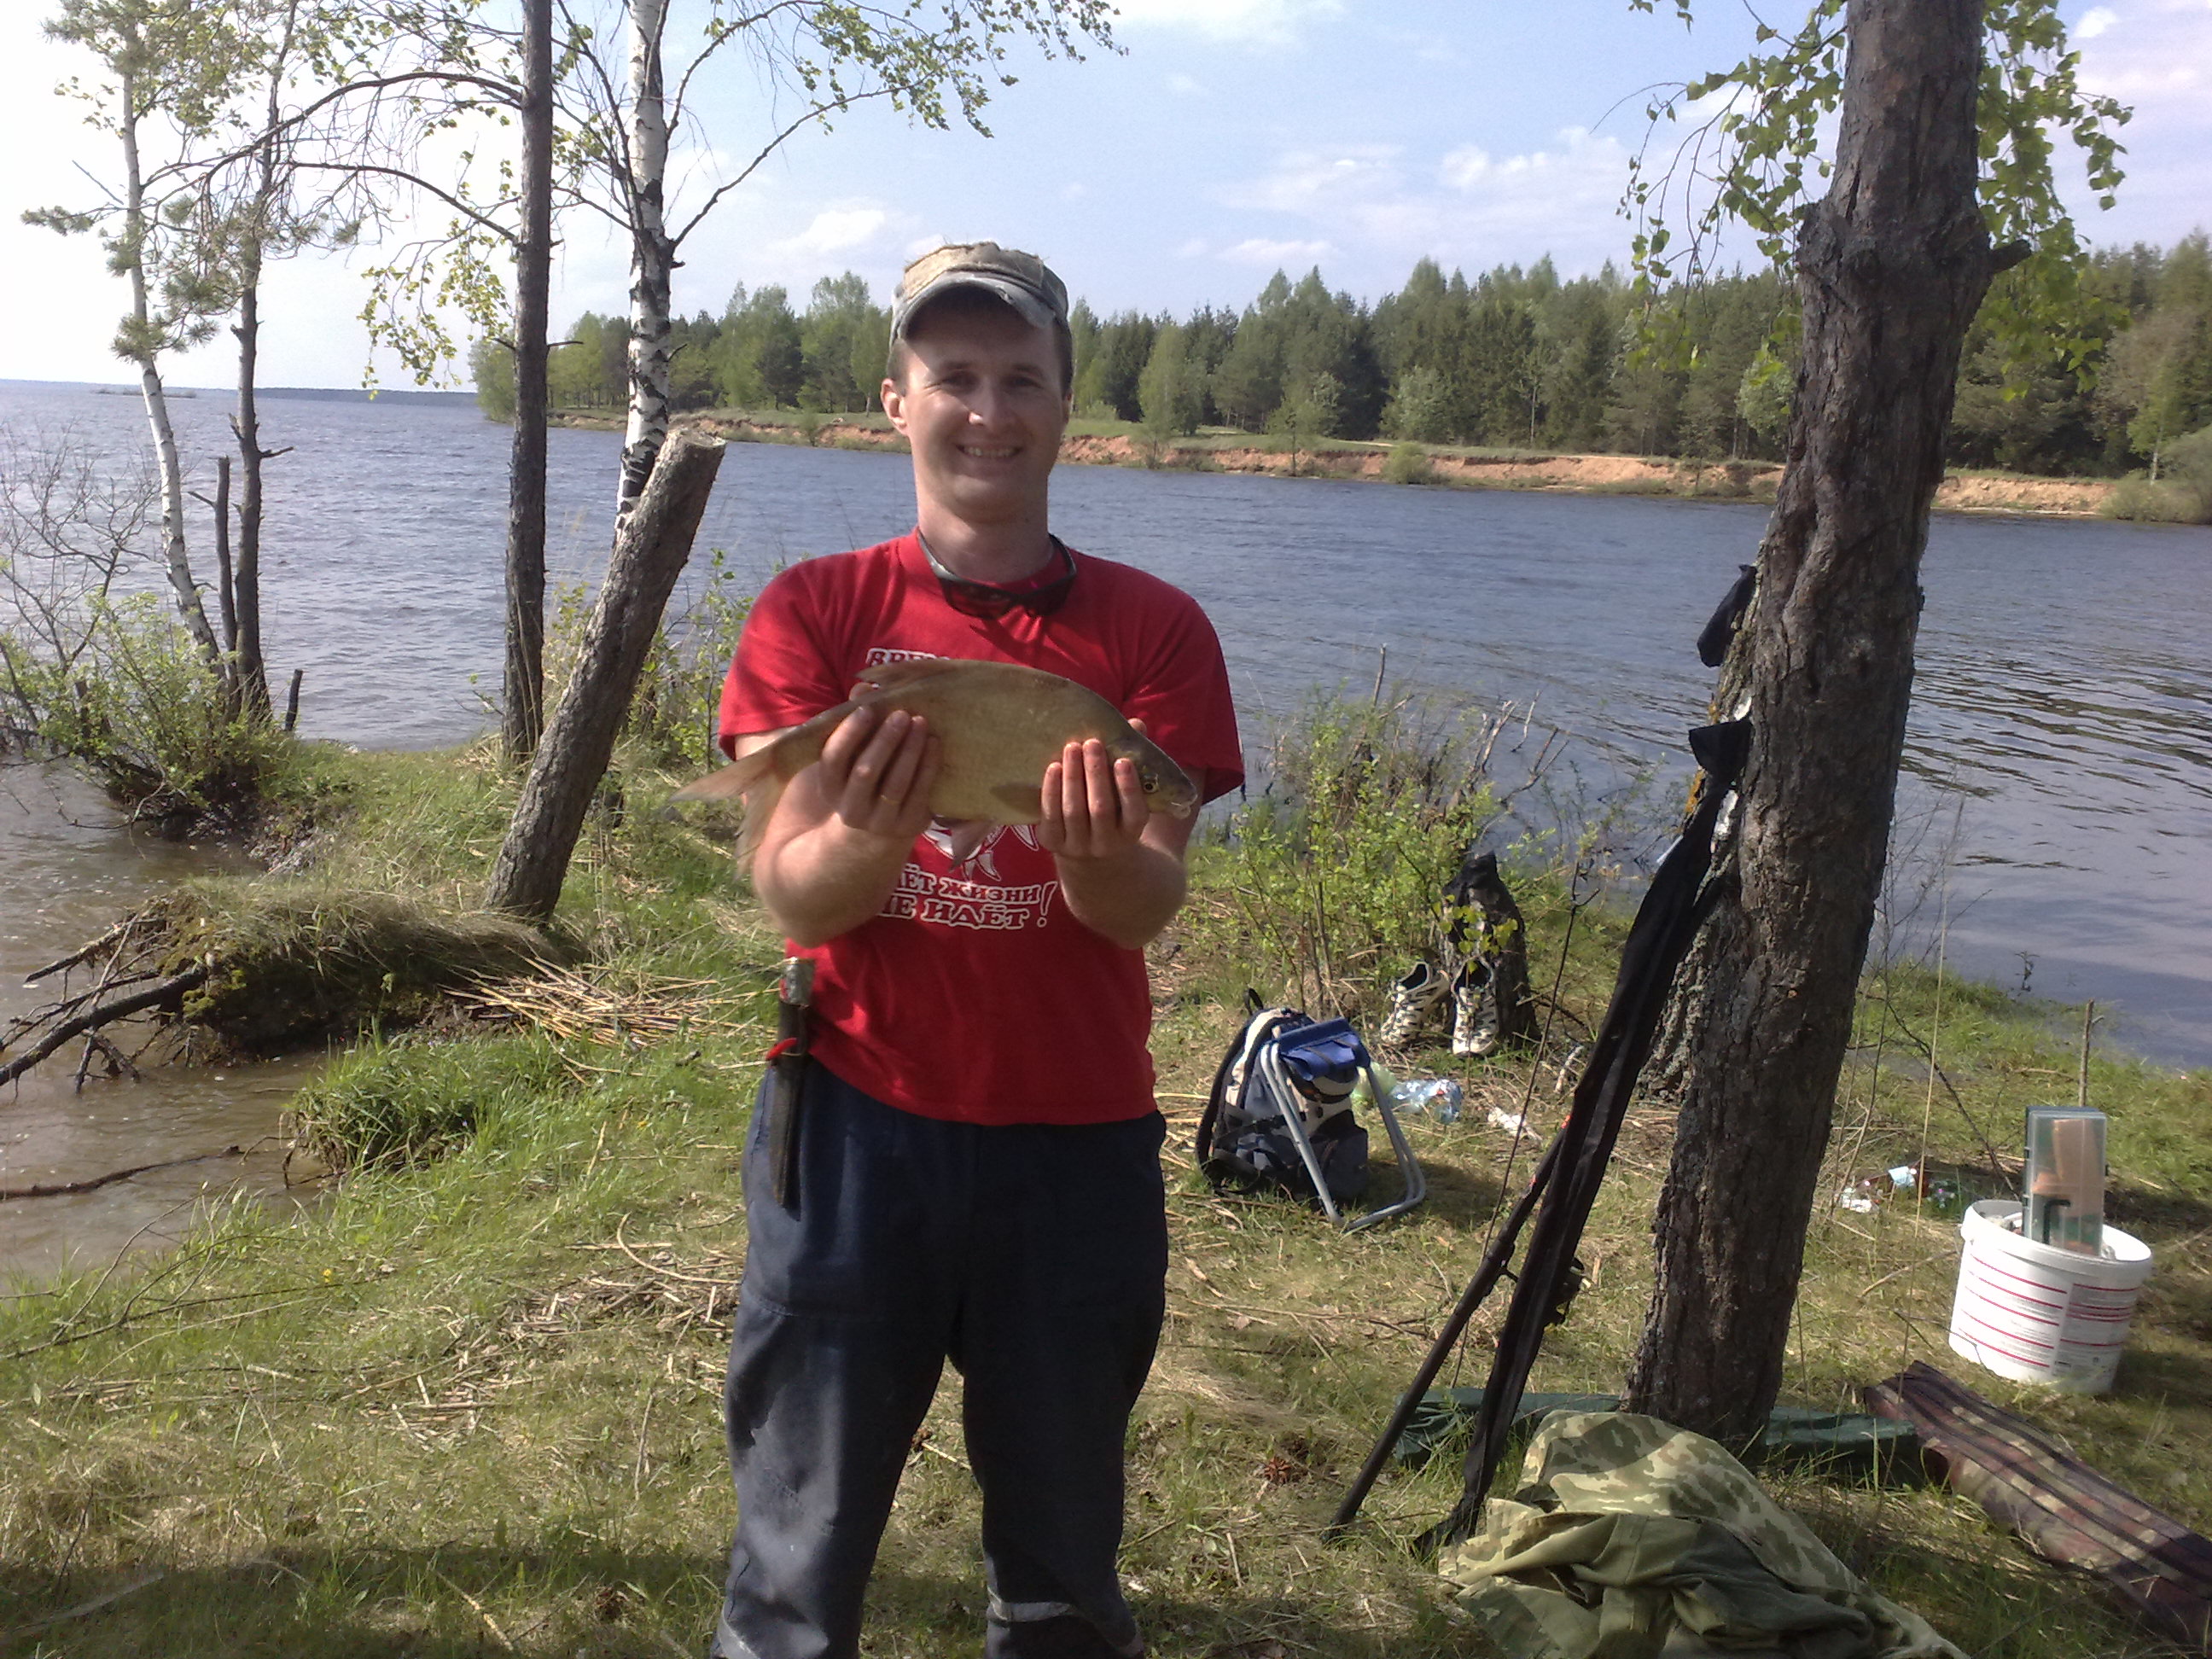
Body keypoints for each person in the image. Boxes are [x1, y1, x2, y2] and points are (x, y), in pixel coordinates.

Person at [707, 242, 1243, 1659]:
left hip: (1074, 1144)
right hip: (855, 1131)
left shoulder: (1158, 631)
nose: (987, 411)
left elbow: (1142, 907)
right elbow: (797, 901)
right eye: (954, 377)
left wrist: (1091, 850)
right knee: (797, 1550)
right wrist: (870, 830)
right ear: (898, 400)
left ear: (1067, 406)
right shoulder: (816, 610)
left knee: (1062, 1555)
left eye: (1021, 379)